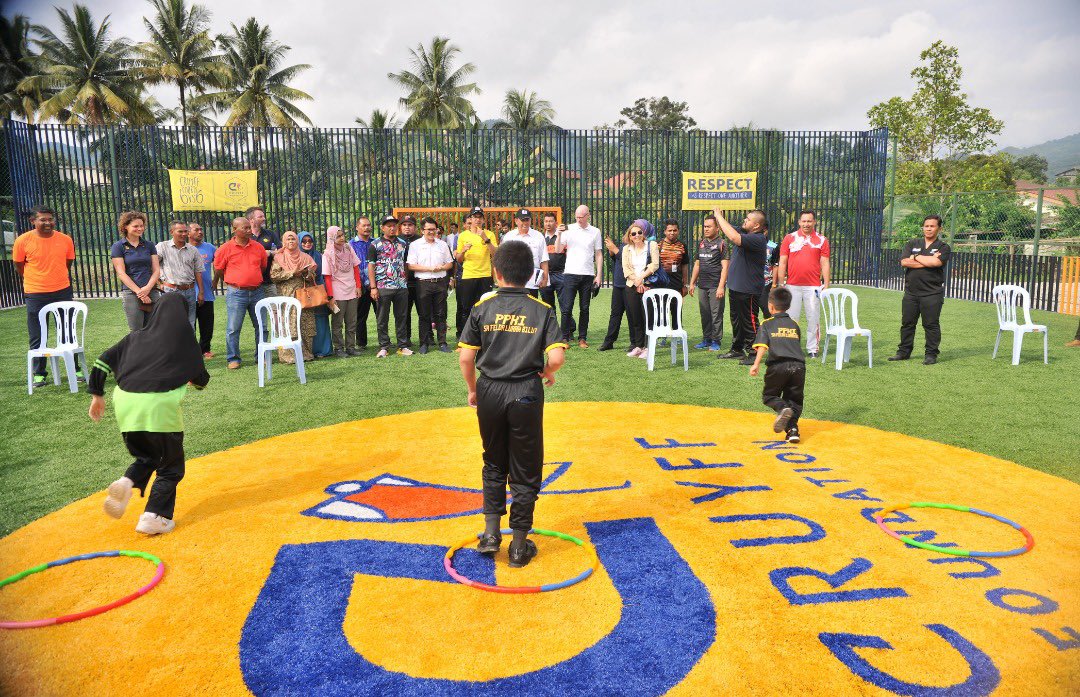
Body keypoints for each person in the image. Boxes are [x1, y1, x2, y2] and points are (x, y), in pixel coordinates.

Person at [458, 240, 567, 568]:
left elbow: (466, 357)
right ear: (531, 274)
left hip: (490, 389)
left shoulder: (482, 306)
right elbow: (558, 356)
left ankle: (491, 535)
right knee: (526, 466)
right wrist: (547, 371)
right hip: (526, 391)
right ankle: (519, 545)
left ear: (496, 272)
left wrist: (473, 389)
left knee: (493, 460)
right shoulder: (543, 309)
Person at [89, 293, 209, 535]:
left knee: (148, 457)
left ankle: (126, 482)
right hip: (158, 408)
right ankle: (155, 516)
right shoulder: (185, 343)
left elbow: (102, 361)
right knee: (171, 467)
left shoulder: (135, 337)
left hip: (125, 403)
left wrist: (96, 393)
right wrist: (191, 380)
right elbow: (201, 379)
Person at [13, 206, 83, 387]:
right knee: (37, 334)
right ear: (33, 221)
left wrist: (55, 278)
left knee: (68, 332)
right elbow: (19, 265)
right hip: (35, 293)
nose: (47, 223)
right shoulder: (22, 241)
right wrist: (36, 280)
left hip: (62, 290)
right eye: (43, 219)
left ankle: (75, 369)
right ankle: (39, 374)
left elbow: (68, 263)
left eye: (50, 219)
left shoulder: (65, 240)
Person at [889, 215, 952, 365]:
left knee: (931, 324)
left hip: (932, 293)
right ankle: (903, 352)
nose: (929, 228)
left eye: (932, 226)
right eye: (926, 226)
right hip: (911, 293)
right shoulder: (912, 243)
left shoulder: (943, 247)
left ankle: (931, 355)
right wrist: (927, 261)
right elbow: (904, 262)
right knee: (907, 323)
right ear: (923, 227)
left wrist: (916, 257)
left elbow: (936, 262)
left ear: (939, 228)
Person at [749, 286, 805, 444]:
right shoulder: (794, 324)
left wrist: (756, 364)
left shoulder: (767, 323)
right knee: (794, 401)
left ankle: (782, 409)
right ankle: (793, 431)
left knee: (770, 396)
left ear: (770, 306)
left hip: (778, 366)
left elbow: (762, 345)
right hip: (799, 367)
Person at [713, 207, 769, 365]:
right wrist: (720, 217)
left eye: (748, 219)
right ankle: (737, 349)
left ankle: (754, 353)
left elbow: (734, 237)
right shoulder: (746, 232)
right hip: (736, 287)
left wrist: (717, 215)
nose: (744, 220)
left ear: (757, 226)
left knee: (750, 321)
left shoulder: (758, 239)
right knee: (736, 320)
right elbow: (728, 229)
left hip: (748, 289)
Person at [213, 217, 267, 370]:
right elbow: (219, 269)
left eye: (249, 227)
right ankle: (233, 358)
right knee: (233, 328)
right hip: (236, 293)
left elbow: (262, 267)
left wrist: (251, 279)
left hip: (257, 292)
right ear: (234, 230)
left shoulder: (258, 247)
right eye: (245, 228)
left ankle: (261, 356)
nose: (250, 230)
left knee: (262, 326)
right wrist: (235, 282)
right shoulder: (225, 248)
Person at [778, 210, 830, 357]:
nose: (806, 224)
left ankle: (812, 349)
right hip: (792, 285)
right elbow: (783, 261)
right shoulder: (789, 238)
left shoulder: (822, 240)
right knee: (791, 318)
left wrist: (826, 284)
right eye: (804, 221)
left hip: (813, 286)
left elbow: (825, 263)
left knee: (813, 317)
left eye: (809, 221)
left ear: (814, 222)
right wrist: (781, 284)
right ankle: (791, 348)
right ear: (799, 222)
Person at [555, 204, 603, 348]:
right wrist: (558, 234)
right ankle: (564, 338)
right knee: (566, 308)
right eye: (577, 217)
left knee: (585, 308)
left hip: (587, 275)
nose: (579, 219)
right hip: (570, 273)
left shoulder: (595, 231)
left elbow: (599, 254)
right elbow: (558, 250)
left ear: (588, 215)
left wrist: (599, 275)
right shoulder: (568, 229)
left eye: (582, 217)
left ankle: (582, 338)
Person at [407, 216, 455, 353]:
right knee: (424, 314)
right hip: (423, 283)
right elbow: (411, 265)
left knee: (441, 314)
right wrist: (429, 269)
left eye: (434, 229)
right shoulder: (415, 245)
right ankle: (424, 343)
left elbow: (450, 263)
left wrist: (442, 267)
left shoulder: (442, 244)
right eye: (428, 229)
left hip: (440, 283)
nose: (431, 232)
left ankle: (442, 343)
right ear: (422, 230)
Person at [270, 230, 318, 363]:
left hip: (304, 295)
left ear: (297, 241)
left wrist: (307, 273)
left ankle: (306, 354)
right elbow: (274, 276)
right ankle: (288, 356)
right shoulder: (279, 257)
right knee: (288, 324)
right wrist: (292, 273)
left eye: (293, 239)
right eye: (288, 239)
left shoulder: (305, 257)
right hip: (287, 296)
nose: (291, 242)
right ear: (283, 242)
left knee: (306, 324)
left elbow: (313, 276)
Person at [368, 215, 413, 357]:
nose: (392, 228)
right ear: (382, 228)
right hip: (383, 287)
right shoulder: (375, 245)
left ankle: (402, 346)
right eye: (388, 225)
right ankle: (384, 346)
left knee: (402, 317)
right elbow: (371, 266)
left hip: (400, 286)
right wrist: (373, 287)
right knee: (382, 318)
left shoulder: (403, 244)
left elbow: (405, 264)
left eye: (394, 225)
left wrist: (403, 280)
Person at [110, 211, 161, 331]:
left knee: (155, 329)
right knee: (137, 330)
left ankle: (153, 351)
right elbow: (121, 273)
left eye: (142, 225)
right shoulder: (118, 246)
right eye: (136, 226)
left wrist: (147, 288)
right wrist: (140, 292)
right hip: (131, 293)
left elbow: (156, 270)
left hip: (152, 291)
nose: (140, 228)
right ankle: (137, 351)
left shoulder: (149, 245)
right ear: (125, 227)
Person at [454, 206, 499, 339]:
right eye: (475, 217)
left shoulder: (489, 234)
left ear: (483, 220)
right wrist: (463, 251)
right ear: (470, 219)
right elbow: (459, 259)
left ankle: (485, 337)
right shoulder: (463, 236)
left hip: (485, 276)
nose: (477, 220)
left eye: (480, 217)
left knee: (486, 308)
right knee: (466, 309)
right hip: (468, 276)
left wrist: (486, 239)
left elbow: (495, 254)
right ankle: (465, 338)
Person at [688, 214, 729, 351]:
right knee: (705, 313)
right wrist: (692, 283)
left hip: (715, 286)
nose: (706, 229)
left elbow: (725, 267)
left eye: (709, 226)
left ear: (717, 228)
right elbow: (697, 265)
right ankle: (706, 339)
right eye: (705, 226)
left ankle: (716, 341)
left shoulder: (722, 244)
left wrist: (721, 287)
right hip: (702, 285)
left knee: (716, 314)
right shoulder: (701, 243)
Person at [621, 222, 660, 359]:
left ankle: (649, 347)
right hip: (631, 286)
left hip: (648, 284)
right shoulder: (626, 249)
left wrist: (641, 279)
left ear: (643, 234)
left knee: (648, 317)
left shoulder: (652, 245)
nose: (637, 235)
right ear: (630, 236)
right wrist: (636, 281)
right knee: (635, 317)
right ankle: (639, 346)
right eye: (633, 234)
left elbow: (654, 264)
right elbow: (626, 269)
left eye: (639, 232)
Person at [323, 226, 364, 357]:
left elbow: (356, 268)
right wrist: (331, 296)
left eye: (342, 235)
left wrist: (358, 286)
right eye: (338, 236)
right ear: (332, 238)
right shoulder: (328, 253)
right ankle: (339, 348)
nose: (342, 238)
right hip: (337, 292)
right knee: (337, 322)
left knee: (352, 321)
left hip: (351, 289)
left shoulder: (348, 248)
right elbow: (327, 277)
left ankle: (351, 347)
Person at [156, 221, 204, 330]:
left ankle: (188, 347)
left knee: (190, 323)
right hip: (170, 291)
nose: (183, 234)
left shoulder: (193, 250)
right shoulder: (162, 247)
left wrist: (201, 292)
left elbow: (198, 271)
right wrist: (159, 283)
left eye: (185, 231)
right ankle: (171, 347)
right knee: (170, 323)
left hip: (190, 291)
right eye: (180, 231)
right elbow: (152, 266)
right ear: (172, 232)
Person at [300, 232, 333, 358]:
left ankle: (324, 350)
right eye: (304, 241)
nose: (307, 243)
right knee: (306, 321)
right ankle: (308, 351)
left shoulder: (319, 256)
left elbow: (324, 275)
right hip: (303, 292)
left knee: (321, 319)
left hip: (318, 290)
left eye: (310, 241)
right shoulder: (297, 256)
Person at [503, 208, 549, 296]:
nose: (525, 223)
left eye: (527, 220)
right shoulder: (509, 236)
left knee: (531, 308)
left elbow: (543, 259)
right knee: (514, 308)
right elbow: (503, 259)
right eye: (522, 220)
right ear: (516, 221)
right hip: (513, 281)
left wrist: (545, 278)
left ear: (530, 220)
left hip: (532, 282)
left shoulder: (538, 236)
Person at [189, 222, 216, 358]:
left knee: (207, 324)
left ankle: (205, 349)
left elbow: (219, 264)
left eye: (201, 229)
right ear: (188, 233)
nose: (200, 232)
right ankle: (192, 351)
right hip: (187, 293)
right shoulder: (185, 248)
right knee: (190, 324)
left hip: (206, 292)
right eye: (196, 230)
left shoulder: (209, 247)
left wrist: (216, 279)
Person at [350, 216, 376, 350]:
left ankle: (383, 341)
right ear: (357, 227)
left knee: (381, 313)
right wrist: (356, 285)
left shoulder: (376, 242)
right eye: (364, 225)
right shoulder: (350, 244)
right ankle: (361, 343)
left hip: (376, 284)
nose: (367, 228)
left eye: (369, 225)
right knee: (361, 315)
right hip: (359, 284)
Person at [246, 205, 281, 301]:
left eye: (263, 216)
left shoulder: (270, 234)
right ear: (251, 220)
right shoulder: (245, 236)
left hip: (269, 281)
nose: (264, 219)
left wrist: (270, 252)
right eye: (260, 217)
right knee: (257, 312)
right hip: (252, 283)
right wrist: (261, 253)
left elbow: (281, 251)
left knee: (275, 311)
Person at [398, 214, 421, 344]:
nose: (407, 227)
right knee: (404, 312)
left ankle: (427, 336)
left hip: (419, 281)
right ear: (400, 227)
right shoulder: (396, 240)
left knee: (423, 311)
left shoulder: (421, 240)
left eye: (410, 225)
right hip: (402, 282)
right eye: (404, 225)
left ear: (415, 227)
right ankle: (406, 338)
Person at [540, 212, 563, 327]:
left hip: (561, 275)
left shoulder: (562, 237)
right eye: (546, 221)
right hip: (545, 276)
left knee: (565, 305)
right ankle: (552, 329)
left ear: (556, 223)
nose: (548, 224)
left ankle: (568, 330)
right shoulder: (539, 238)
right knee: (548, 306)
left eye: (551, 221)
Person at [657, 219, 690, 298]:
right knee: (661, 310)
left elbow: (684, 266)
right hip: (660, 284)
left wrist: (685, 285)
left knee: (677, 310)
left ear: (678, 231)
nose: (672, 233)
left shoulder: (682, 245)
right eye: (669, 230)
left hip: (676, 284)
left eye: (675, 230)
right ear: (665, 231)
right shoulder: (657, 245)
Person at [760, 226, 780, 321]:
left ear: (767, 230)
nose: (761, 233)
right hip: (751, 281)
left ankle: (768, 329)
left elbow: (776, 265)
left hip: (767, 283)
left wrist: (774, 284)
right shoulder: (751, 243)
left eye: (763, 230)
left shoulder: (773, 246)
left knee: (767, 309)